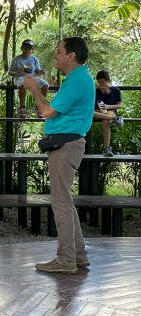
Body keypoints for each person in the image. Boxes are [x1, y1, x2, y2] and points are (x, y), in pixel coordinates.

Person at [24, 37, 94, 274]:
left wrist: (34, 90)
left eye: (59, 52)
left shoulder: (76, 81)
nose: (56, 56)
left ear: (71, 56)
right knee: (65, 200)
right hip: (69, 143)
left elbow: (47, 111)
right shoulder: (79, 78)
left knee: (60, 202)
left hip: (67, 146)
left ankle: (66, 259)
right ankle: (78, 254)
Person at [8, 39, 49, 118]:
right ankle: (22, 109)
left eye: (29, 49)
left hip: (32, 78)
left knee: (45, 85)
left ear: (32, 50)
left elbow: (37, 72)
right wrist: (17, 73)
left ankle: (38, 107)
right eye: (26, 48)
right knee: (23, 84)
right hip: (20, 78)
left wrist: (42, 72)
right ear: (22, 49)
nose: (27, 50)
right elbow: (9, 72)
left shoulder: (34, 59)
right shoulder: (16, 59)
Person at [94, 70, 124, 157]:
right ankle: (116, 119)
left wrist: (108, 106)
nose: (101, 84)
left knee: (105, 120)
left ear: (108, 80)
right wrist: (97, 87)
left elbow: (120, 105)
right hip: (96, 112)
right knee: (88, 112)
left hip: (109, 112)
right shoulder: (96, 90)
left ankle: (107, 148)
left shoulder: (115, 90)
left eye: (102, 82)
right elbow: (85, 88)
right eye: (99, 82)